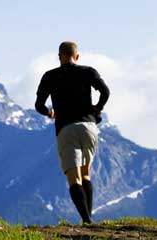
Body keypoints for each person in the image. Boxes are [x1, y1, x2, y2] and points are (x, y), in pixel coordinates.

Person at [35, 41, 110, 225]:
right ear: (77, 56)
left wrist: (49, 112)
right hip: (89, 127)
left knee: (73, 178)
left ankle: (86, 220)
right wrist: (98, 107)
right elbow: (105, 91)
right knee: (86, 174)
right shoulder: (88, 71)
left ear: (59, 56)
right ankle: (88, 220)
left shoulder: (50, 76)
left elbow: (39, 105)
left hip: (66, 128)